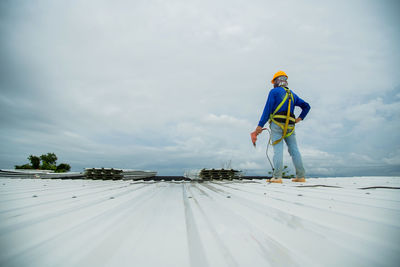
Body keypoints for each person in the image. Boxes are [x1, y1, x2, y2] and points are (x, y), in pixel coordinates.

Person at [251, 71, 310, 183]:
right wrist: (300, 118)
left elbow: (267, 109)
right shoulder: (292, 94)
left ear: (276, 81)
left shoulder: (274, 92)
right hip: (290, 126)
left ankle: (277, 177)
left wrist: (260, 125)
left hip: (277, 124)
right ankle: (301, 176)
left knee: (278, 150)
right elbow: (306, 106)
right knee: (294, 149)